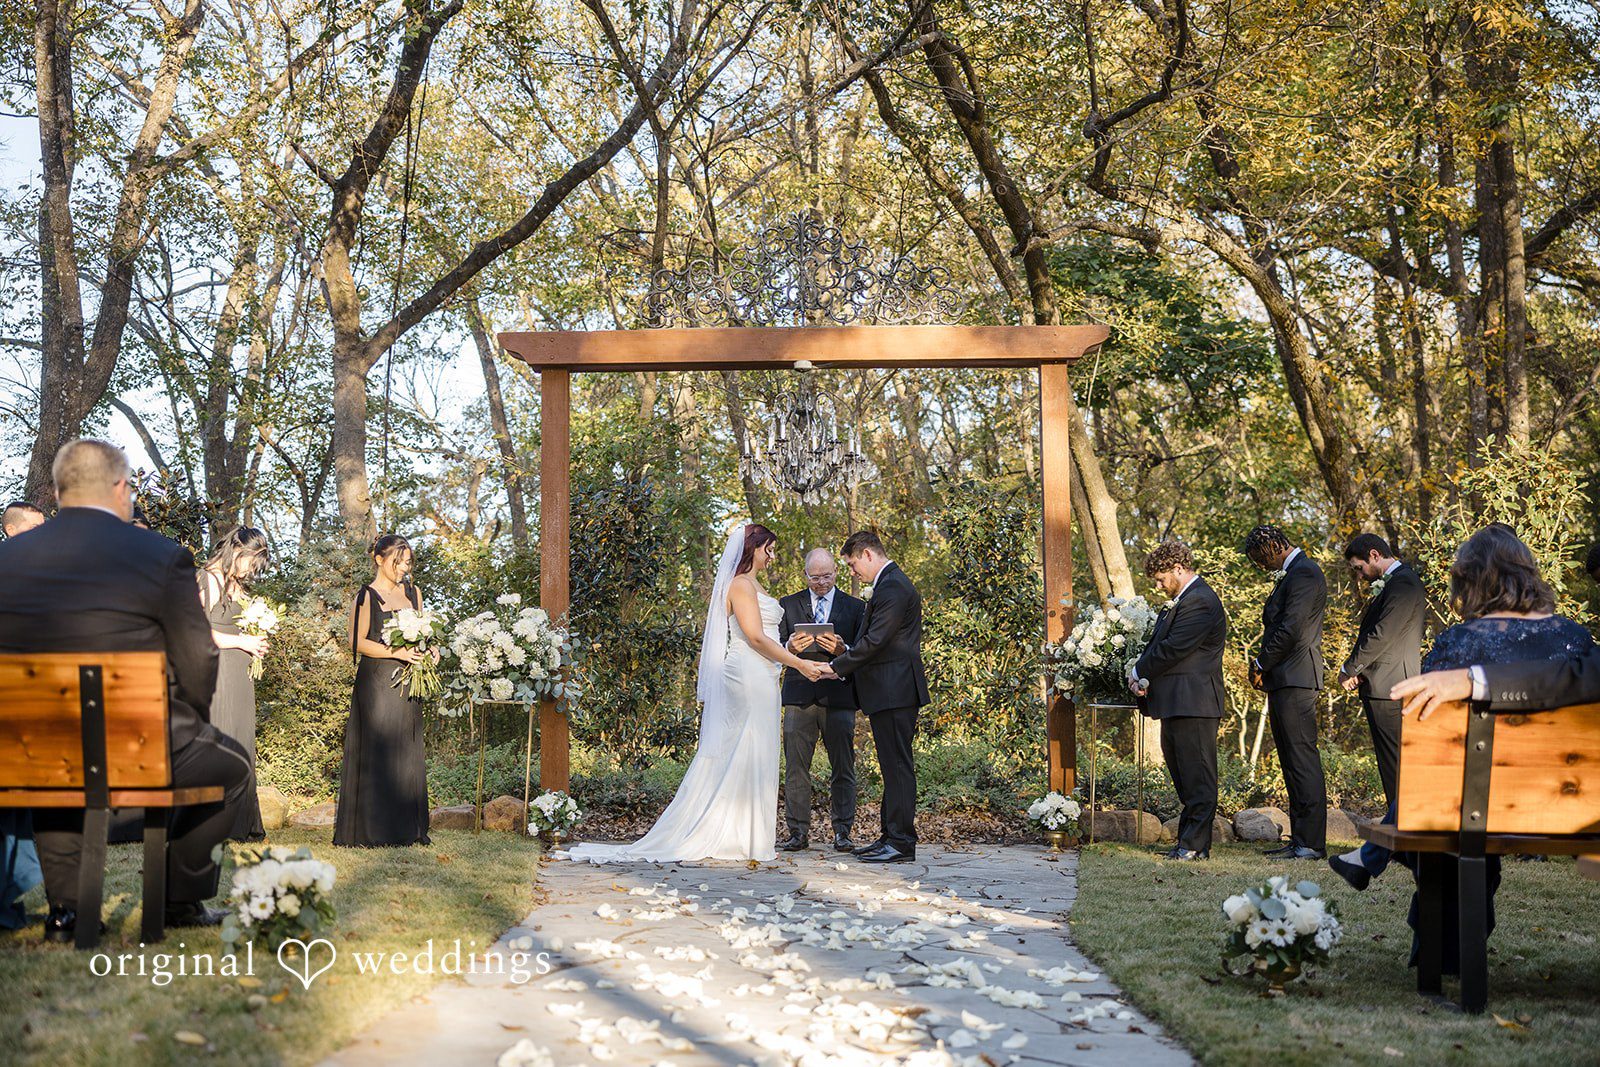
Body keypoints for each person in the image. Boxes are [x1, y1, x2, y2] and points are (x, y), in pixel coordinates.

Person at [0, 439, 249, 941]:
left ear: (56, 491)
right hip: (140, 742)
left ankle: (66, 913)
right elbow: (198, 656)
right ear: (120, 488)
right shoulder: (159, 554)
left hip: (27, 745)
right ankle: (180, 900)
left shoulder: (10, 558)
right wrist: (193, 721)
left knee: (56, 775)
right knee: (234, 765)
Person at [1391, 524, 1592, 973]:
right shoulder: (1579, 644)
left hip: (1471, 807)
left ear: (1471, 582)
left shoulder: (1458, 643)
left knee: (1444, 818)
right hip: (1572, 804)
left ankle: (1441, 944)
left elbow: (1426, 736)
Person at [567, 523, 829, 863]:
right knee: (745, 748)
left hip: (763, 673)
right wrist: (798, 663)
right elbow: (754, 637)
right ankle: (733, 835)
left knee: (756, 750)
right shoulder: (739, 584)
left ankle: (749, 835)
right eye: (769, 549)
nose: (773, 555)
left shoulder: (754, 584)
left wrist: (791, 647)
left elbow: (767, 636)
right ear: (754, 548)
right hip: (748, 673)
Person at [824, 530, 929, 864]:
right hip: (888, 689)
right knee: (891, 766)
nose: (853, 572)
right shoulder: (888, 584)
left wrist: (836, 667)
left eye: (853, 565)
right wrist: (847, 652)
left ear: (867, 554)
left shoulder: (894, 587)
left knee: (898, 767)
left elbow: (877, 641)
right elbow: (873, 640)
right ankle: (890, 835)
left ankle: (901, 842)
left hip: (895, 689)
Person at [1329, 534, 1426, 890]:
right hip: (1383, 685)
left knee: (1399, 770)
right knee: (1393, 771)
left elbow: (1382, 634)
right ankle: (1399, 846)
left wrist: (1351, 667)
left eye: (1359, 568)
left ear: (1373, 555)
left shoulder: (1403, 584)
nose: (1359, 576)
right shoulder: (1398, 584)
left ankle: (1403, 845)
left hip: (1392, 690)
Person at [334, 533, 435, 848]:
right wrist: (396, 653)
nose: (404, 567)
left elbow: (425, 634)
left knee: (407, 748)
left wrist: (431, 650)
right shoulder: (366, 596)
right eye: (398, 561)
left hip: (409, 681)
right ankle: (375, 830)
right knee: (379, 750)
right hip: (378, 682)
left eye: (407, 562)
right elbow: (357, 641)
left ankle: (408, 828)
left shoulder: (413, 593)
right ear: (379, 559)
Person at [1128, 541, 1226, 861]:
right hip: (1178, 703)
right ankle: (1189, 841)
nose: (1158, 587)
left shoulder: (1200, 601)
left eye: (1160, 579)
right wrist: (1142, 677)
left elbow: (1174, 648)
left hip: (1195, 702)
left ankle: (1195, 846)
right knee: (1185, 776)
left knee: (1198, 776)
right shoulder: (1184, 600)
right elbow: (1162, 644)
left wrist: (1139, 669)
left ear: (1179, 569)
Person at [1245, 524, 1329, 860]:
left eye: (1260, 558)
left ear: (1275, 546)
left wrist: (1261, 663)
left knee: (1302, 760)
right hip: (1286, 678)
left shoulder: (1304, 574)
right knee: (1291, 762)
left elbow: (1291, 627)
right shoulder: (1293, 573)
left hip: (1297, 678)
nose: (1261, 566)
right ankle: (1300, 840)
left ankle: (1311, 843)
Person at [777, 547, 865, 852]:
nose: (821, 583)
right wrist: (789, 646)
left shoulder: (855, 607)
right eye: (815, 578)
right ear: (805, 575)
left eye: (827, 576)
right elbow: (773, 649)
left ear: (836, 573)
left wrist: (843, 650)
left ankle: (843, 832)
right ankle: (797, 833)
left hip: (839, 695)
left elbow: (865, 651)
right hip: (799, 695)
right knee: (795, 768)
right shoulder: (787, 605)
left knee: (843, 766)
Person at [198, 527, 272, 840]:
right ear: (236, 549)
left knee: (241, 741)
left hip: (240, 674)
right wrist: (242, 641)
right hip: (217, 673)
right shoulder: (209, 578)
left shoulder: (234, 583)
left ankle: (240, 823)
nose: (251, 570)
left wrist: (258, 634)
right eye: (251, 562)